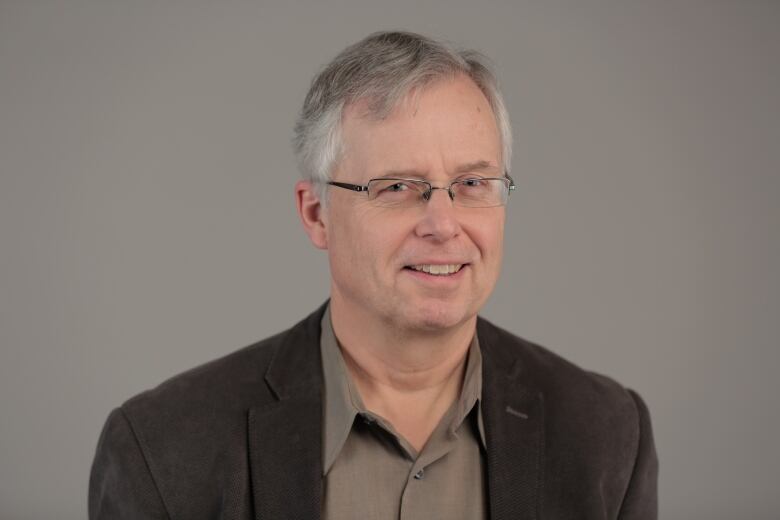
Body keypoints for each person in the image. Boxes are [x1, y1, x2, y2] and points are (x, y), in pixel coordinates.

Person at [89, 31, 658, 519]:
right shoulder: (162, 449)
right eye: (396, 187)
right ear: (316, 214)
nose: (443, 224)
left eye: (473, 184)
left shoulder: (606, 436)